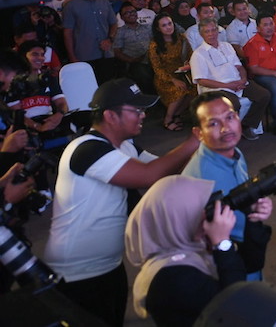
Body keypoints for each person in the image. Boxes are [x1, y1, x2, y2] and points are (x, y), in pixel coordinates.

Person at [44, 78, 200, 326]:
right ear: (110, 116)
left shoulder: (125, 146)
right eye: (136, 110)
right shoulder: (85, 149)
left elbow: (166, 169)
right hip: (76, 272)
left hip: (109, 264)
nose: (143, 115)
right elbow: (149, 176)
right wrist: (194, 141)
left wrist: (204, 149)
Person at [125, 176, 251, 326]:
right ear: (174, 221)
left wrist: (253, 218)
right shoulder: (173, 278)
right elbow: (234, 304)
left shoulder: (189, 247)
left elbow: (251, 264)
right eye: (197, 209)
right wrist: (222, 243)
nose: (206, 215)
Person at [182, 92, 274, 282]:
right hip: (224, 266)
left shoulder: (235, 153)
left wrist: (255, 208)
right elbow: (192, 239)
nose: (226, 128)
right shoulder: (199, 179)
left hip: (247, 251)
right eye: (213, 123)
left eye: (230, 117)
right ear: (199, 133)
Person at [189, 18, 271, 140]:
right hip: (218, 88)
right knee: (234, 104)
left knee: (264, 95)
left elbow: (239, 66)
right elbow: (201, 80)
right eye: (207, 31)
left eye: (213, 30)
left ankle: (246, 126)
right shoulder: (198, 54)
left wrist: (243, 79)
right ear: (202, 34)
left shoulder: (226, 46)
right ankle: (227, 133)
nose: (211, 34)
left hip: (238, 82)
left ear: (218, 31)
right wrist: (228, 86)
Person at [62, 0, 118, 83]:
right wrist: (72, 57)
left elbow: (114, 23)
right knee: (89, 88)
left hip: (106, 53)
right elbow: (67, 33)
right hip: (84, 55)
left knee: (107, 86)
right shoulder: (71, 6)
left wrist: (110, 39)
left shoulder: (103, 2)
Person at [149, 13, 195, 131]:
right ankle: (168, 119)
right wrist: (173, 80)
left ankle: (176, 114)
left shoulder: (182, 39)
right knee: (179, 90)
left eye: (170, 23)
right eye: (164, 25)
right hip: (165, 77)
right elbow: (157, 69)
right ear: (158, 29)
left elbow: (191, 56)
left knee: (195, 88)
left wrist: (188, 65)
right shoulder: (155, 45)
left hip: (183, 73)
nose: (168, 27)